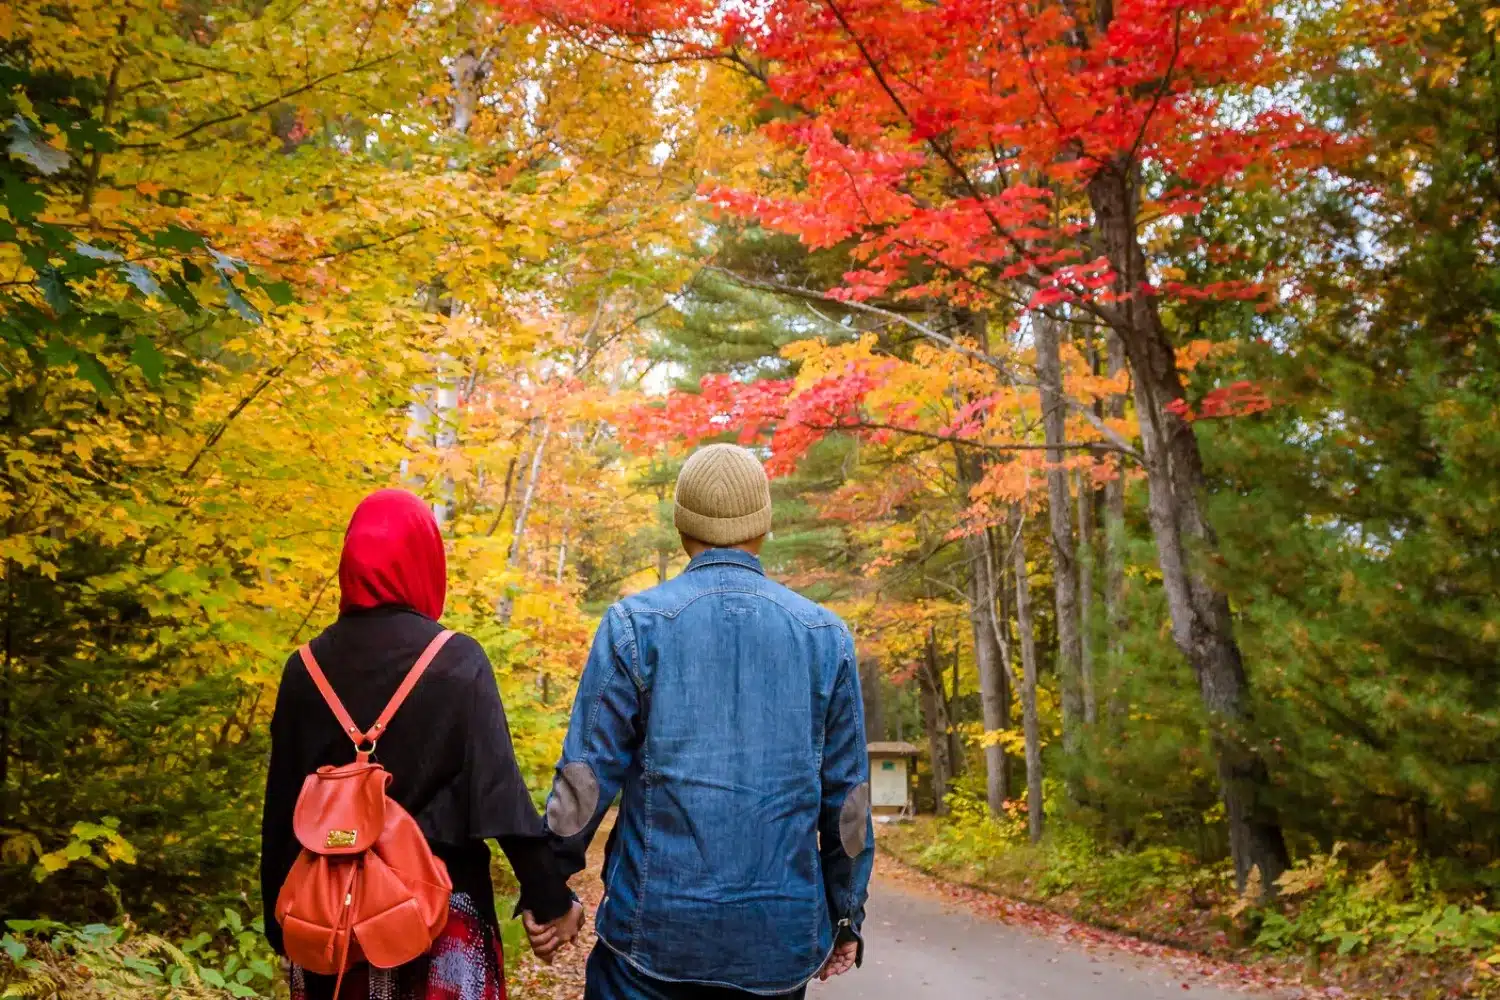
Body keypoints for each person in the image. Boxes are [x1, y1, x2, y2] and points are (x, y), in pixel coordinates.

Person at [526, 444, 875, 999]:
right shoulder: (825, 636)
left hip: (651, 936)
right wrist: (845, 915)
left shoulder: (634, 625)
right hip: (777, 942)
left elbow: (585, 780)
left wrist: (549, 891)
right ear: (763, 525)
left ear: (682, 526)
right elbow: (848, 802)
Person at [260, 488, 584, 1000]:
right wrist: (551, 900)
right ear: (425, 562)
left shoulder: (303, 670)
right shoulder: (456, 660)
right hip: (441, 918)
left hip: (331, 922)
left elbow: (282, 812)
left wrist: (279, 927)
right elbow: (500, 798)